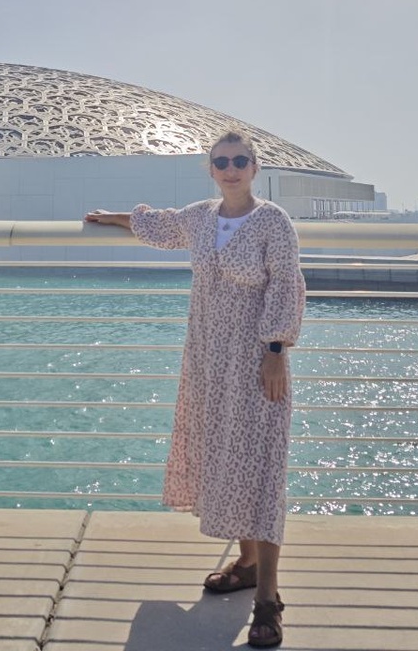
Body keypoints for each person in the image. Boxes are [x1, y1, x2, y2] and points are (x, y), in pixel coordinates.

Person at [85, 130, 305, 648]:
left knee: (261, 470)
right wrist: (112, 217)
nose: (231, 169)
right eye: (221, 162)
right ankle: (247, 563)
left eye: (240, 160)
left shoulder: (273, 221)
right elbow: (160, 225)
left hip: (257, 362)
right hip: (208, 361)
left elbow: (287, 285)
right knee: (228, 459)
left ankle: (268, 599)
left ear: (255, 168)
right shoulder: (201, 217)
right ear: (211, 170)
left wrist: (276, 350)